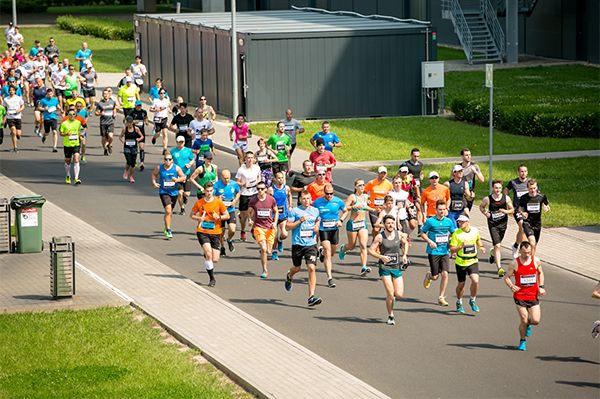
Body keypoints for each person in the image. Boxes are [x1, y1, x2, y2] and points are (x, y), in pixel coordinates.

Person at [503, 241, 545, 351]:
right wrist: (512, 286)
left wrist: (541, 286)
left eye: (529, 252)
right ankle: (522, 341)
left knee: (535, 320)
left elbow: (540, 273)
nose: (527, 255)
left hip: (533, 295)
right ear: (520, 251)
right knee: (524, 320)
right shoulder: (514, 263)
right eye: (525, 252)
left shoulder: (536, 261)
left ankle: (528, 325)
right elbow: (507, 277)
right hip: (520, 296)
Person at [368, 215, 409, 325]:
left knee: (399, 294)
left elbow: (405, 243)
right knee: (390, 293)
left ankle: (391, 300)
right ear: (384, 225)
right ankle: (391, 315)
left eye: (392, 223)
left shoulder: (399, 234)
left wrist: (405, 255)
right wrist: (381, 257)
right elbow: (371, 250)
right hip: (384, 267)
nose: (390, 225)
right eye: (388, 223)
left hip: (396, 267)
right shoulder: (380, 237)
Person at [284, 190, 322, 307]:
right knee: (297, 268)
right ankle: (290, 275)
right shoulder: (295, 211)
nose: (306, 201)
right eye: (304, 199)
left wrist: (316, 226)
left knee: (311, 268)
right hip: (297, 244)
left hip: (310, 244)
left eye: (308, 198)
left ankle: (311, 297)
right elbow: (287, 226)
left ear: (311, 200)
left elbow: (318, 219)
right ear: (300, 200)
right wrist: (299, 221)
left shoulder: (315, 210)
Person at [190, 181, 229, 287]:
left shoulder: (218, 202)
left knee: (215, 259)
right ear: (204, 191)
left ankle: (208, 255)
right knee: (208, 253)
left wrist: (219, 217)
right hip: (202, 231)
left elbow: (227, 215)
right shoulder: (200, 202)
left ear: (213, 191)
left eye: (211, 191)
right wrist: (199, 218)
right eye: (207, 191)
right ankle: (212, 279)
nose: (209, 193)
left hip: (216, 232)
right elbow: (192, 215)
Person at [421, 200, 456, 307]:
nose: (442, 212)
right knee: (435, 277)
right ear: (436, 210)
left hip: (444, 251)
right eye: (440, 210)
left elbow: (453, 233)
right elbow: (422, 233)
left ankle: (441, 297)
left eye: (444, 209)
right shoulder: (430, 221)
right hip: (434, 252)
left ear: (446, 210)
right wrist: (430, 241)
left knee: (445, 274)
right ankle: (429, 275)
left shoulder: (449, 221)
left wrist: (452, 245)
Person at [313, 183, 348, 288]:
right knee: (328, 253)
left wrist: (341, 220)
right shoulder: (318, 202)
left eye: (331, 194)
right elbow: (311, 211)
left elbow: (345, 211)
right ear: (324, 193)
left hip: (334, 229)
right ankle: (329, 278)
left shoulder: (338, 201)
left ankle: (321, 252)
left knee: (332, 252)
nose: (329, 196)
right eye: (327, 194)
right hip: (323, 229)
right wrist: (315, 223)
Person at [339, 179, 375, 276]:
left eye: (363, 185)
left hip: (362, 223)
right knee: (352, 245)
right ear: (355, 187)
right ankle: (344, 248)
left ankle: (364, 266)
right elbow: (345, 208)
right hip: (353, 223)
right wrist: (354, 206)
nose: (362, 187)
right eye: (359, 185)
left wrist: (372, 209)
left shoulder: (366, 196)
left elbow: (366, 206)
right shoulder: (352, 197)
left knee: (363, 245)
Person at [449, 214, 485, 313]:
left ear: (468, 222)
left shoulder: (475, 231)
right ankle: (459, 302)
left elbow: (478, 239)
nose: (460, 223)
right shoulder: (456, 234)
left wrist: (481, 246)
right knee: (461, 284)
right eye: (459, 221)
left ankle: (472, 300)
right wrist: (460, 247)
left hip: (472, 260)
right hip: (461, 262)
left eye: (462, 221)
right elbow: (451, 250)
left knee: (475, 280)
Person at [479, 180, 514, 277]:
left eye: (499, 188)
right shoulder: (488, 199)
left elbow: (512, 210)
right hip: (493, 224)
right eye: (496, 188)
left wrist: (505, 211)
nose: (498, 190)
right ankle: (499, 268)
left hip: (503, 224)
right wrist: (485, 213)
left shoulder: (506, 198)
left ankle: (492, 253)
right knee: (498, 245)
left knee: (497, 245)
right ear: (493, 188)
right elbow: (481, 207)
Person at [248, 181, 279, 278]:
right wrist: (250, 220)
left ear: (266, 189)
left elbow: (276, 211)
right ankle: (265, 270)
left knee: (269, 251)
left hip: (269, 227)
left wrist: (275, 222)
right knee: (264, 248)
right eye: (258, 189)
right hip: (258, 227)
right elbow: (249, 212)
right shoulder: (253, 200)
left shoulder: (271, 199)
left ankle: (263, 252)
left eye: (262, 189)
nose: (260, 191)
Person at [151, 154, 186, 238]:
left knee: (169, 213)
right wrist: (154, 183)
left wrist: (177, 180)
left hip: (174, 193)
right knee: (168, 210)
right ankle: (168, 230)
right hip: (164, 192)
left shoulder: (176, 168)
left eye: (169, 159)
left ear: (172, 160)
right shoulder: (159, 168)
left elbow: (183, 177)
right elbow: (153, 174)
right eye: (166, 159)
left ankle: (166, 226)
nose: (168, 161)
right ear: (164, 160)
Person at [505, 164, 535, 258]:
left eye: (525, 171)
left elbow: (536, 192)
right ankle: (524, 249)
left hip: (527, 209)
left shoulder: (530, 183)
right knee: (522, 225)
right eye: (522, 171)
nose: (523, 173)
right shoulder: (513, 182)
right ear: (518, 172)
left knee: (522, 229)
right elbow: (506, 189)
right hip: (517, 209)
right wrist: (507, 199)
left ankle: (515, 245)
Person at [518, 179, 549, 255]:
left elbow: (547, 205)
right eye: (531, 188)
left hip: (537, 223)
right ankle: (531, 262)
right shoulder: (523, 198)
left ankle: (530, 258)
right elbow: (520, 208)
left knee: (534, 245)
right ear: (527, 188)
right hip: (527, 223)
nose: (533, 190)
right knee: (532, 243)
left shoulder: (541, 197)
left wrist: (546, 208)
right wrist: (522, 213)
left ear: (537, 188)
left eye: (534, 188)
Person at [235, 151, 261, 241]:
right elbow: (236, 181)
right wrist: (242, 184)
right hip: (244, 193)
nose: (250, 160)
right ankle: (242, 230)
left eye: (251, 158)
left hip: (254, 192)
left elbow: (259, 177)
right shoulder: (241, 169)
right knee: (244, 216)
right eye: (248, 158)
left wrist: (257, 183)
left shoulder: (257, 168)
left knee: (254, 212)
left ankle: (253, 229)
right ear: (245, 159)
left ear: (254, 159)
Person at [214, 169, 240, 256]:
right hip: (220, 211)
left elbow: (238, 192)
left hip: (230, 210)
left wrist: (235, 200)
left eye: (228, 178)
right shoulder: (217, 185)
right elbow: (211, 196)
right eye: (225, 178)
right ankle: (222, 247)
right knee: (221, 232)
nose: (226, 180)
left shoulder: (233, 184)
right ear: (221, 177)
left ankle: (229, 240)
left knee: (232, 229)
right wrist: (218, 198)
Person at [269, 171, 291, 261]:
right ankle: (274, 252)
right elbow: (267, 200)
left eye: (282, 178)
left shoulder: (286, 188)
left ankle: (280, 241)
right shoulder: (271, 189)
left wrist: (290, 206)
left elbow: (289, 195)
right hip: (273, 215)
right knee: (274, 234)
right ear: (275, 179)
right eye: (278, 178)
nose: (280, 179)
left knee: (284, 234)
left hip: (283, 214)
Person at [401, 148, 425, 232]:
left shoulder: (420, 164)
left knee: (419, 207)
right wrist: (407, 176)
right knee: (409, 208)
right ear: (411, 155)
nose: (416, 158)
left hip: (417, 188)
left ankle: (420, 226)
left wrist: (421, 176)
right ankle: (407, 224)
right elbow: (399, 174)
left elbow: (421, 172)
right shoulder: (406, 164)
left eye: (418, 156)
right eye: (414, 156)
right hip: (408, 190)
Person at [364, 166, 393, 238]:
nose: (383, 175)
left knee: (385, 226)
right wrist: (367, 199)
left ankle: (382, 242)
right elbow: (364, 192)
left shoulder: (389, 184)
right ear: (378, 173)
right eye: (381, 173)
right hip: (373, 208)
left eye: (384, 173)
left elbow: (391, 196)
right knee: (376, 228)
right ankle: (375, 240)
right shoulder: (371, 183)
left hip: (384, 209)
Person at [170, 136, 195, 214]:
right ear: (176, 142)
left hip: (186, 173)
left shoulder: (188, 151)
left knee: (187, 194)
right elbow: (169, 160)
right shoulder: (173, 151)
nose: (181, 144)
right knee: (179, 193)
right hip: (177, 175)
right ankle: (182, 208)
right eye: (179, 142)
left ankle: (185, 197)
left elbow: (192, 159)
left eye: (182, 142)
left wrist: (190, 164)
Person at [59, 109, 83, 185]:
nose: (72, 116)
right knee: (68, 161)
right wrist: (66, 134)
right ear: (67, 115)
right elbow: (61, 133)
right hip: (67, 145)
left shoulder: (78, 123)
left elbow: (80, 131)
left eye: (73, 114)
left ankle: (76, 178)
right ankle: (68, 175)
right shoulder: (64, 124)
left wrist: (81, 136)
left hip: (76, 144)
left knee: (76, 159)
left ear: (75, 115)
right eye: (70, 114)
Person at [119, 116, 143, 183]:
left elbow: (142, 136)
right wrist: (123, 141)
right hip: (127, 148)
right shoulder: (124, 129)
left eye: (130, 123)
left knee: (133, 163)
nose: (129, 124)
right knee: (129, 161)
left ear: (132, 122)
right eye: (127, 123)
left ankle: (131, 176)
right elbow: (120, 137)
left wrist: (138, 139)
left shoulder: (136, 129)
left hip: (134, 148)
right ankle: (126, 171)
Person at [150, 89, 171, 154]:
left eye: (163, 93)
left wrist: (170, 111)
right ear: (159, 94)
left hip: (164, 118)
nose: (162, 94)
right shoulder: (156, 100)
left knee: (165, 133)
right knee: (158, 133)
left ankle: (165, 148)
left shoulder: (166, 100)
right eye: (161, 93)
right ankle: (154, 137)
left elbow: (168, 107)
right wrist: (155, 110)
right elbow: (150, 109)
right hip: (157, 118)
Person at [95, 89, 116, 156]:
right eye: (104, 94)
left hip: (110, 122)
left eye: (107, 94)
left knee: (110, 136)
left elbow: (114, 108)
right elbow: (96, 113)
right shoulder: (100, 103)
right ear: (102, 95)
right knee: (104, 138)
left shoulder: (112, 102)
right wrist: (100, 113)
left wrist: (114, 113)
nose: (106, 95)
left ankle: (109, 145)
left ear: (109, 95)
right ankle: (105, 148)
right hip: (103, 123)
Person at [3, 85, 24, 152]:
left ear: (15, 91)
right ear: (8, 91)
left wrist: (19, 110)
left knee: (18, 134)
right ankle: (15, 147)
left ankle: (17, 135)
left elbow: (23, 106)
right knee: (13, 131)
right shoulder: (6, 99)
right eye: (10, 90)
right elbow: (4, 108)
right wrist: (4, 117)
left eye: (12, 90)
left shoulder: (18, 98)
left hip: (17, 117)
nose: (11, 91)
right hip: (10, 117)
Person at [38, 88, 59, 152]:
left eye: (51, 94)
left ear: (53, 94)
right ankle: (44, 136)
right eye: (48, 94)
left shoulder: (55, 100)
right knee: (47, 133)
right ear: (46, 94)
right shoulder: (43, 100)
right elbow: (39, 107)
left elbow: (57, 106)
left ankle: (54, 147)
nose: (50, 95)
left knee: (54, 132)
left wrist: (60, 109)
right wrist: (44, 109)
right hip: (46, 118)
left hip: (53, 118)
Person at [130, 100, 148, 168]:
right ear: (135, 106)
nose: (139, 107)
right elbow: (127, 121)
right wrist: (134, 121)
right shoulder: (132, 112)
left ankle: (142, 163)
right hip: (133, 131)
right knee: (133, 148)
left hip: (141, 131)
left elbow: (146, 117)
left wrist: (146, 121)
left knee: (141, 147)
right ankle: (133, 161)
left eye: (140, 105)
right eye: (138, 106)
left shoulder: (144, 112)